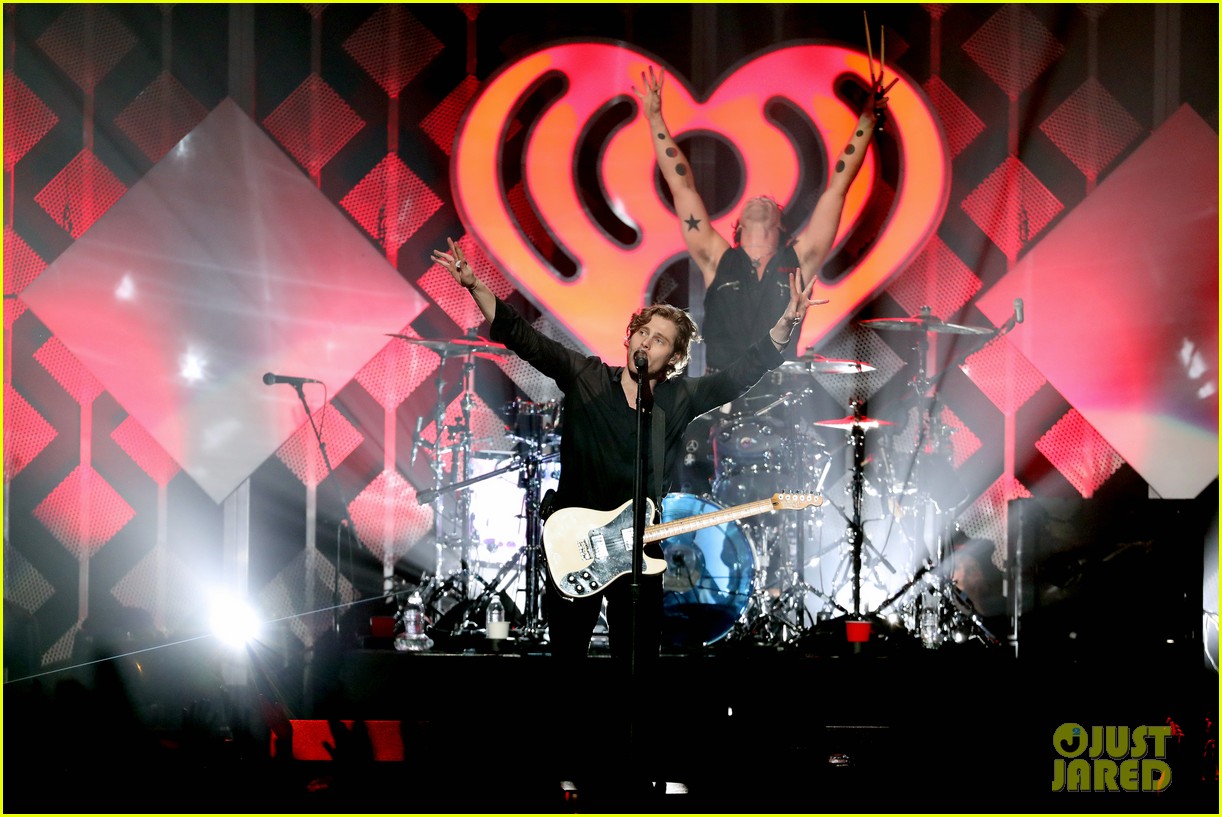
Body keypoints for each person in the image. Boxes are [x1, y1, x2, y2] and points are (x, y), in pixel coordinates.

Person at [430, 237, 815, 662]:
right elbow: (525, 339)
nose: (647, 343)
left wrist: (786, 326)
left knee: (637, 670)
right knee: (568, 666)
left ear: (674, 359)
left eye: (661, 340)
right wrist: (474, 285)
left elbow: (739, 376)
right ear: (629, 338)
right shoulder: (588, 377)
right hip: (575, 540)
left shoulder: (678, 398)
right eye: (643, 333)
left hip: (639, 550)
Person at [631, 64, 887, 373]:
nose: (760, 198)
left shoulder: (800, 258)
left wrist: (867, 120)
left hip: (778, 393)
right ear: (738, 226)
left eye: (770, 202)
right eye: (754, 201)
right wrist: (655, 119)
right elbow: (681, 186)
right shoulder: (717, 258)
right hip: (720, 393)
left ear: (780, 225)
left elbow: (837, 188)